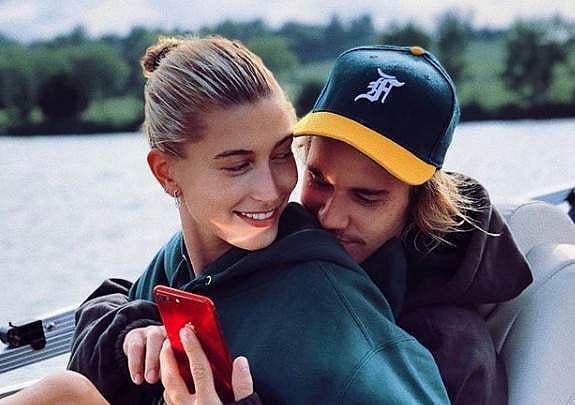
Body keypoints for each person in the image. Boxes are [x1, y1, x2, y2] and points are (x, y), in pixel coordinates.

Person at [63, 36, 448, 404]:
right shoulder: (178, 260)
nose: (270, 190)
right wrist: (128, 332)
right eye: (238, 165)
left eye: (280, 155)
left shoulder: (331, 312)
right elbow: (98, 340)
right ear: (166, 173)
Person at [291, 45, 532, 404]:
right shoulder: (280, 254)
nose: (329, 217)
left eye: (367, 197)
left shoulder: (450, 351)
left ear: (421, 203)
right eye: (318, 180)